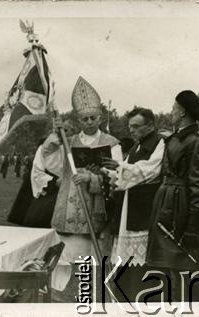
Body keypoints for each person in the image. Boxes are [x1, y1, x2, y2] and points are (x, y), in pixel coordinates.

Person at [41, 77, 122, 301]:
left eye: (93, 117)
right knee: (65, 261)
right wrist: (55, 139)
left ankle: (86, 299)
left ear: (101, 117)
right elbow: (52, 164)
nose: (89, 122)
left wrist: (92, 178)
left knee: (89, 262)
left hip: (96, 209)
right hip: (68, 208)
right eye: (84, 118)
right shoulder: (70, 141)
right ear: (79, 119)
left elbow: (118, 176)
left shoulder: (112, 143)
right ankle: (63, 299)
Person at [146, 90, 199, 302]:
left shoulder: (195, 141)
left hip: (181, 210)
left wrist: (193, 229)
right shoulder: (175, 138)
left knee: (185, 269)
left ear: (183, 112)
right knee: (168, 269)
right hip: (166, 205)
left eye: (174, 108)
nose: (171, 112)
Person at [101, 107, 165, 302]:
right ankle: (125, 299)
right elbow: (125, 173)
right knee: (126, 263)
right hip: (128, 207)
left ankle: (143, 301)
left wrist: (120, 168)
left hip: (144, 209)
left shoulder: (159, 143)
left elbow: (149, 170)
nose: (131, 130)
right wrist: (106, 171)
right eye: (130, 126)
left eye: (136, 126)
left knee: (141, 261)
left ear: (150, 125)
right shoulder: (137, 146)